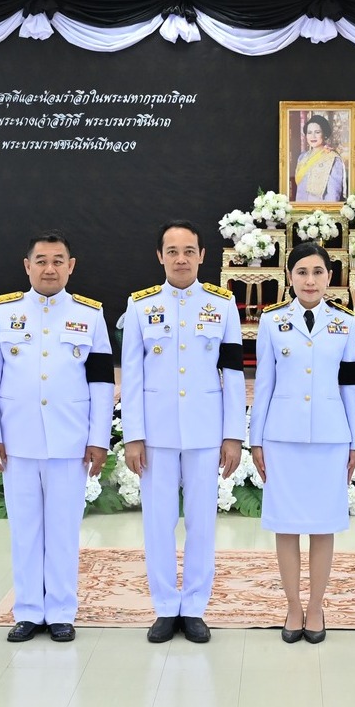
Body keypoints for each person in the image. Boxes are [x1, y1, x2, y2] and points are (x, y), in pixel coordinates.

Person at [0, 232, 113, 643]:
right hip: (16, 442)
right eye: (41, 260)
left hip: (70, 442)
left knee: (63, 529)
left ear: (71, 266)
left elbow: (102, 382)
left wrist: (99, 438)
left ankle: (61, 612)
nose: (49, 268)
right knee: (25, 529)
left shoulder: (90, 314)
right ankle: (29, 611)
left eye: (58, 260)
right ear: (27, 266)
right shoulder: (2, 314)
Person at [121, 221, 246, 644]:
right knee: (157, 522)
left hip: (205, 430)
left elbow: (232, 373)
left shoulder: (222, 305)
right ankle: (164, 607)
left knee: (201, 522)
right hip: (155, 433)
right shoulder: (140, 307)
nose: (180, 258)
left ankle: (193, 606)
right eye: (172, 251)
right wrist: (133, 435)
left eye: (189, 250)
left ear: (202, 255)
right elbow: (132, 376)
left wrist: (233, 434)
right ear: (160, 256)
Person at [252, 241, 355, 644]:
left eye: (317, 272)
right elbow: (264, 383)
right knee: (285, 526)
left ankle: (315, 607)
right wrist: (256, 440)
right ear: (289, 277)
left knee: (322, 526)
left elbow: (351, 386)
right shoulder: (272, 322)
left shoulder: (344, 324)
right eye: (301, 272)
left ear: (330, 277)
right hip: (281, 436)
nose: (310, 280)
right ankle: (293, 606)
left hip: (331, 437)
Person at [290, 113, 348, 203]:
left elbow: (333, 195)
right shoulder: (302, 157)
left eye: (317, 132)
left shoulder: (333, 159)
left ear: (324, 134)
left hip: (321, 213)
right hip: (300, 209)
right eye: (309, 133)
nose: (313, 136)